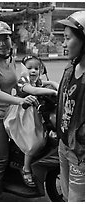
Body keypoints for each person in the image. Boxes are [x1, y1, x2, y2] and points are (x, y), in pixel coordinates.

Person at [0, 21, 37, 201]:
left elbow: (19, 84)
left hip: (11, 113)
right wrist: (21, 101)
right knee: (1, 161)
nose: (2, 43)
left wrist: (38, 89)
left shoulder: (11, 59)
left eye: (5, 38)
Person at [15, 55, 58, 187]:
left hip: (34, 113)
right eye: (29, 68)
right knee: (32, 143)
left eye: (36, 68)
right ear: (23, 69)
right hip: (23, 114)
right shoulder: (23, 81)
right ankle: (26, 168)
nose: (33, 71)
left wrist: (56, 85)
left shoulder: (36, 80)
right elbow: (32, 90)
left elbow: (43, 84)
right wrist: (54, 92)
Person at [56, 11, 85, 202]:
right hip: (64, 145)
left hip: (80, 153)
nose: (64, 44)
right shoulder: (71, 67)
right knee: (67, 197)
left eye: (67, 38)